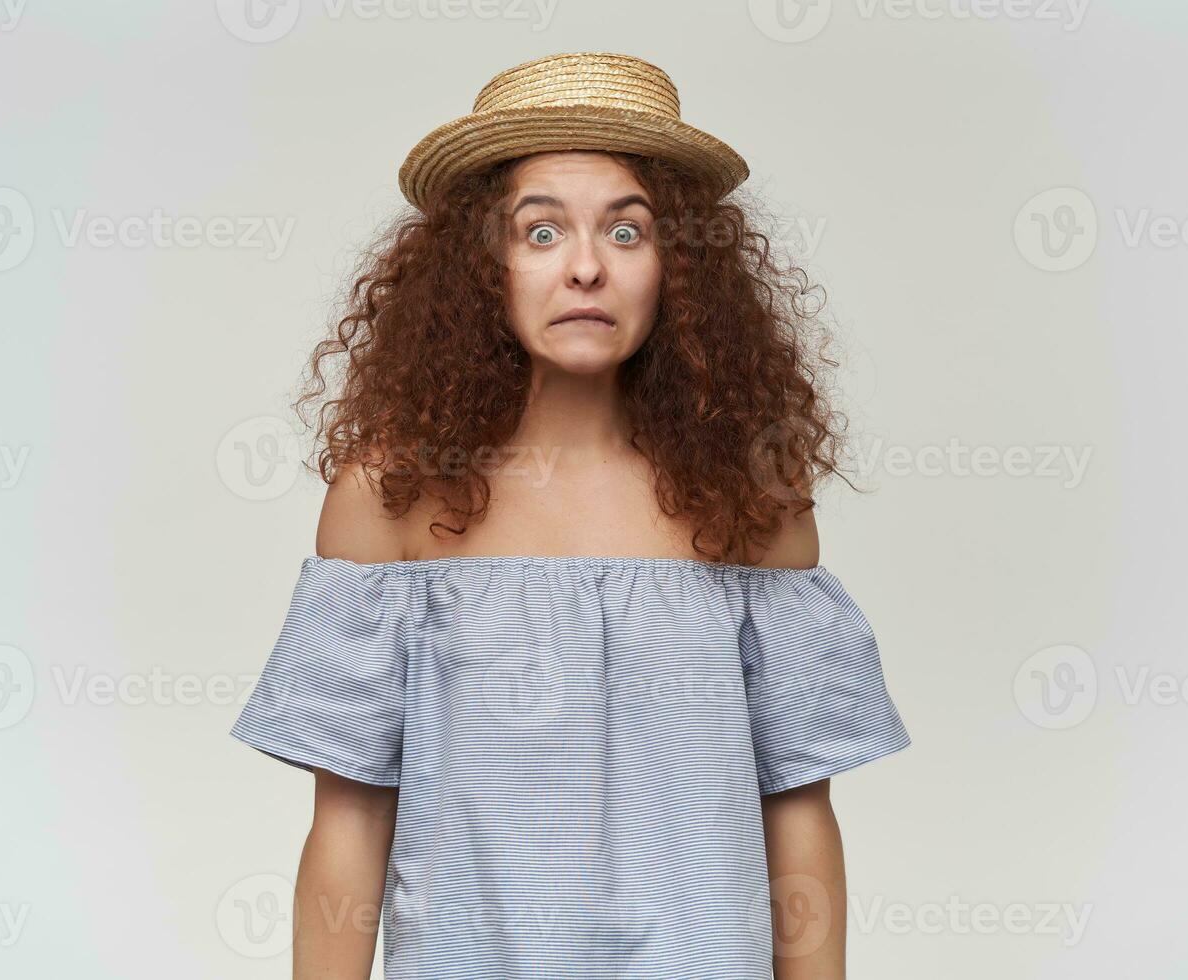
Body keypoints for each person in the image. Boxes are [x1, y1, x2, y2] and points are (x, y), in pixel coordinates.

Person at [230, 50, 912, 979]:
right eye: (540, 232)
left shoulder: (755, 502)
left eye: (627, 233)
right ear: (481, 265)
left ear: (680, 267)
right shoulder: (387, 499)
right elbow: (348, 823)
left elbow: (797, 812)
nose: (586, 267)